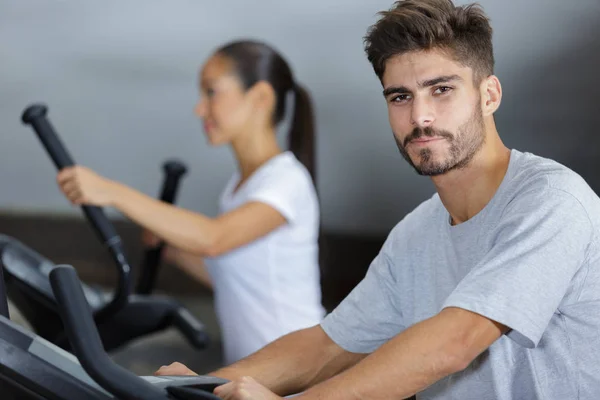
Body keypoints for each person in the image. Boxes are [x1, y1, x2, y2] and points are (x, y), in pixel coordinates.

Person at [155, 0, 600, 399]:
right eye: (401, 97)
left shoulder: (552, 201)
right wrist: (203, 387)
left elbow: (456, 341)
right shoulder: (415, 234)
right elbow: (326, 346)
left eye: (442, 89)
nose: (420, 116)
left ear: (489, 95)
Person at [56, 39, 326, 365]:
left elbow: (214, 239)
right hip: (256, 370)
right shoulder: (238, 187)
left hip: (300, 371)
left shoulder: (286, 181)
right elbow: (234, 275)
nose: (200, 109)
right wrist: (175, 250)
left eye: (211, 92)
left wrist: (110, 191)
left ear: (260, 97)